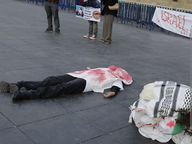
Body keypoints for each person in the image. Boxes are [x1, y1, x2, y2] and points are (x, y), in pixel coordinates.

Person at [0, 65, 132, 101]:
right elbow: (96, 71)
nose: (113, 68)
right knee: (50, 80)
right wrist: (90, 69)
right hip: (77, 74)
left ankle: (26, 95)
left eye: (116, 69)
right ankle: (19, 84)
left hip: (86, 83)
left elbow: (115, 87)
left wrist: (112, 93)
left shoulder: (117, 79)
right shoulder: (105, 69)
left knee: (60, 88)